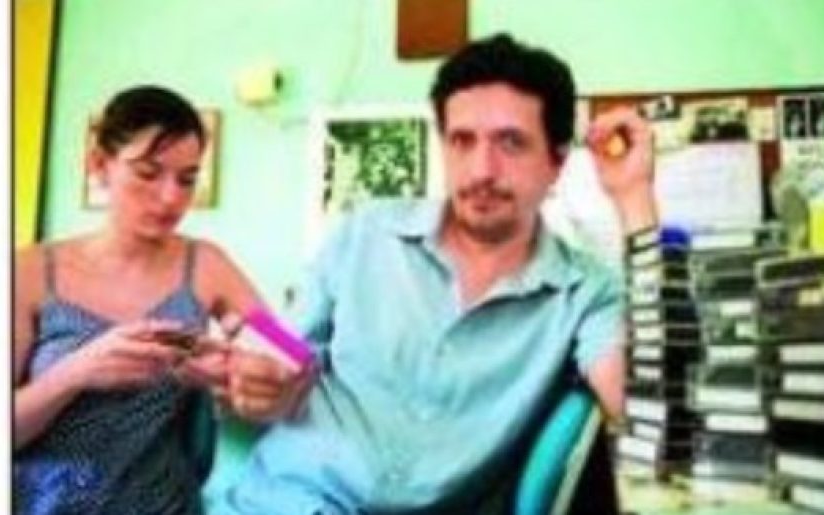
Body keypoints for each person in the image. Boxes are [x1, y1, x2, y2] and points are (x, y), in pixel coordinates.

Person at [214, 33, 656, 514]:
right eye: (462, 141)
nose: (481, 169)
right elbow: (287, 348)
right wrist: (254, 374)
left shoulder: (587, 293)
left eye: (511, 143)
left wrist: (634, 198)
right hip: (283, 499)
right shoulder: (365, 231)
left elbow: (651, 420)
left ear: (557, 163)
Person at [13, 85, 311, 514]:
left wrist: (235, 370)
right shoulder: (30, 272)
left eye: (187, 179)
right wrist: (76, 371)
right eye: (148, 174)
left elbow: (291, 353)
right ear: (98, 165)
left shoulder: (205, 265)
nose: (171, 197)